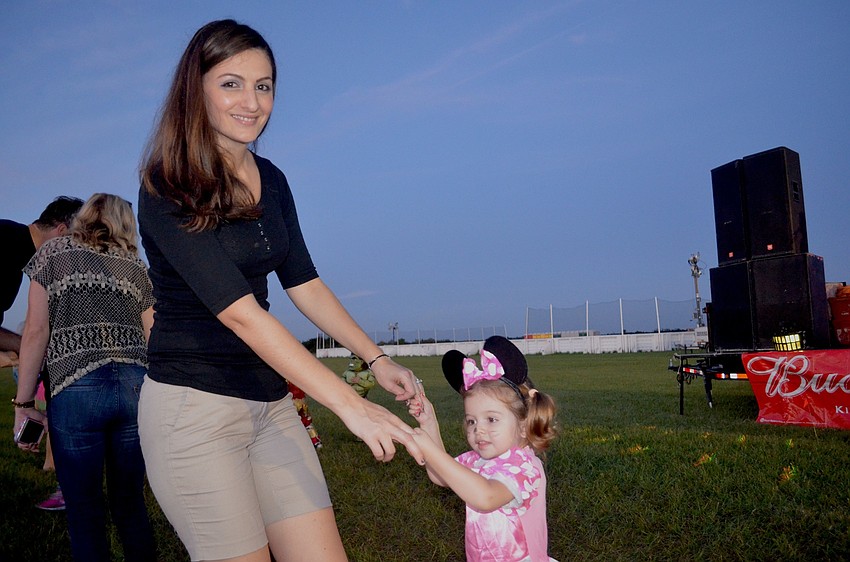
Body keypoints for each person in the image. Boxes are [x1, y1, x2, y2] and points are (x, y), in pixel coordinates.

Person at [137, 19, 423, 562]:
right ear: (194, 90)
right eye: (231, 83)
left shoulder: (273, 178)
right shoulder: (166, 183)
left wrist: (374, 356)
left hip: (269, 404)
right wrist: (348, 406)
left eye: (263, 85)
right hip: (193, 410)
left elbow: (305, 283)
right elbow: (241, 315)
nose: (252, 101)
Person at [13, 193, 157, 561]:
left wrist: (25, 403)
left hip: (76, 387)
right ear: (126, 223)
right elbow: (153, 335)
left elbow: (35, 332)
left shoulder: (54, 252)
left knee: (84, 510)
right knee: (130, 504)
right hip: (135, 388)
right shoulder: (134, 266)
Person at [408, 336, 559, 562]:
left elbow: (485, 497)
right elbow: (440, 475)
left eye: (491, 419)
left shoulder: (524, 467)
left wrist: (428, 449)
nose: (478, 430)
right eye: (472, 421)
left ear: (522, 424)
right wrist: (429, 424)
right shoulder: (478, 460)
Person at [1, 196, 83, 360]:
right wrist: (29, 346)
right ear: (61, 231)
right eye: (76, 244)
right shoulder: (8, 245)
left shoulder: (14, 239)